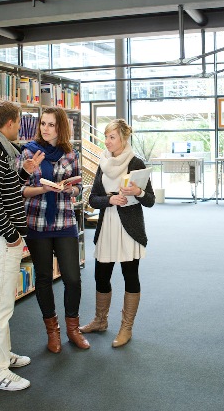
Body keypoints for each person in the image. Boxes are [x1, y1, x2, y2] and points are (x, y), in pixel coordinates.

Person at [0, 100, 45, 391]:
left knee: (3, 306)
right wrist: (13, 236)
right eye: (19, 122)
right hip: (3, 240)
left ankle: (2, 356)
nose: (20, 127)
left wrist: (24, 172)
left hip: (5, 240)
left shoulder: (0, 151)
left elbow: (5, 190)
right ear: (10, 123)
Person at [81, 119, 155, 347]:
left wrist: (138, 191)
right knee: (101, 276)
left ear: (123, 138)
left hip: (129, 229)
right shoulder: (103, 162)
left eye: (112, 137)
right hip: (107, 226)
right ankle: (100, 320)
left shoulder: (136, 162)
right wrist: (109, 199)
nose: (107, 141)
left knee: (130, 276)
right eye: (106, 136)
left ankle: (126, 328)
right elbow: (92, 199)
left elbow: (150, 200)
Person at [21, 107, 89, 353]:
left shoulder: (70, 154)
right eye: (43, 124)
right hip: (37, 223)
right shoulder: (29, 152)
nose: (46, 128)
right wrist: (43, 189)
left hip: (65, 221)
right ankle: (53, 331)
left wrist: (70, 189)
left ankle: (73, 328)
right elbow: (22, 189)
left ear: (60, 128)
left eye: (51, 124)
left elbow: (79, 185)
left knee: (72, 277)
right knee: (43, 278)